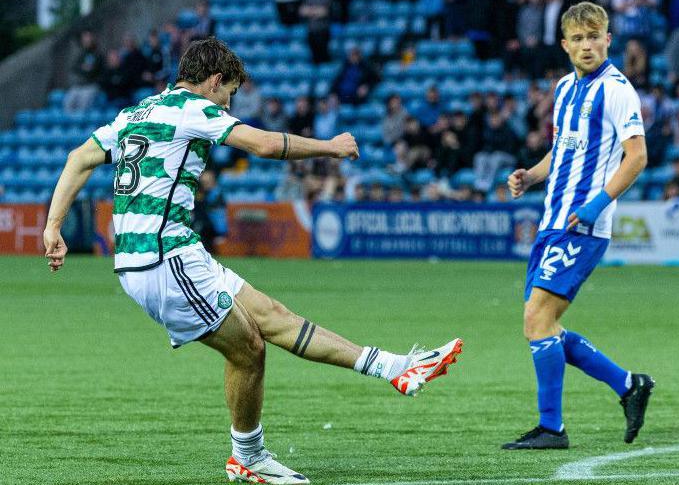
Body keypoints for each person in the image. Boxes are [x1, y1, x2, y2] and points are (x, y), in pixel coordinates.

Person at [42, 38, 462, 484]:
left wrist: (53, 225)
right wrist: (330, 147)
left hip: (171, 254)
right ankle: (249, 457)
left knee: (274, 318)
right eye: (230, 93)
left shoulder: (136, 113)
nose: (229, 104)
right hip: (163, 260)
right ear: (215, 81)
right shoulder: (195, 109)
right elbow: (261, 145)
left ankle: (396, 368)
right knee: (250, 350)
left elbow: (79, 157)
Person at [502, 2, 652, 450]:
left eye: (595, 36)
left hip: (581, 226)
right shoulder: (565, 88)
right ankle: (629, 386)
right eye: (578, 39)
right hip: (552, 220)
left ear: (608, 38)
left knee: (537, 319)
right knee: (542, 326)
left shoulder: (617, 90)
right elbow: (563, 152)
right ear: (565, 45)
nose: (587, 46)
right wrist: (531, 175)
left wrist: (597, 204)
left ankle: (552, 428)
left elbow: (638, 157)